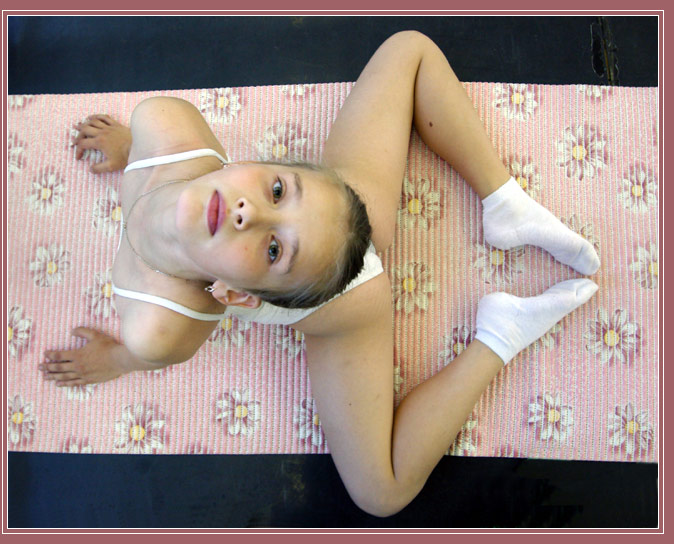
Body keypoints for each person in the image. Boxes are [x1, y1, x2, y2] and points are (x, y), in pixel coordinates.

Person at [42, 31, 600, 517]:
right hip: (349, 206)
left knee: (382, 492)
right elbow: (169, 152)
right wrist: (131, 146)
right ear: (248, 165)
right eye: (277, 189)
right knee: (408, 49)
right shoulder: (162, 123)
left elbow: (140, 351)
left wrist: (116, 358)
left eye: (272, 249)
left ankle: (500, 312)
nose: (248, 212)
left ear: (234, 295)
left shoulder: (154, 327)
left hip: (347, 300)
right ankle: (502, 239)